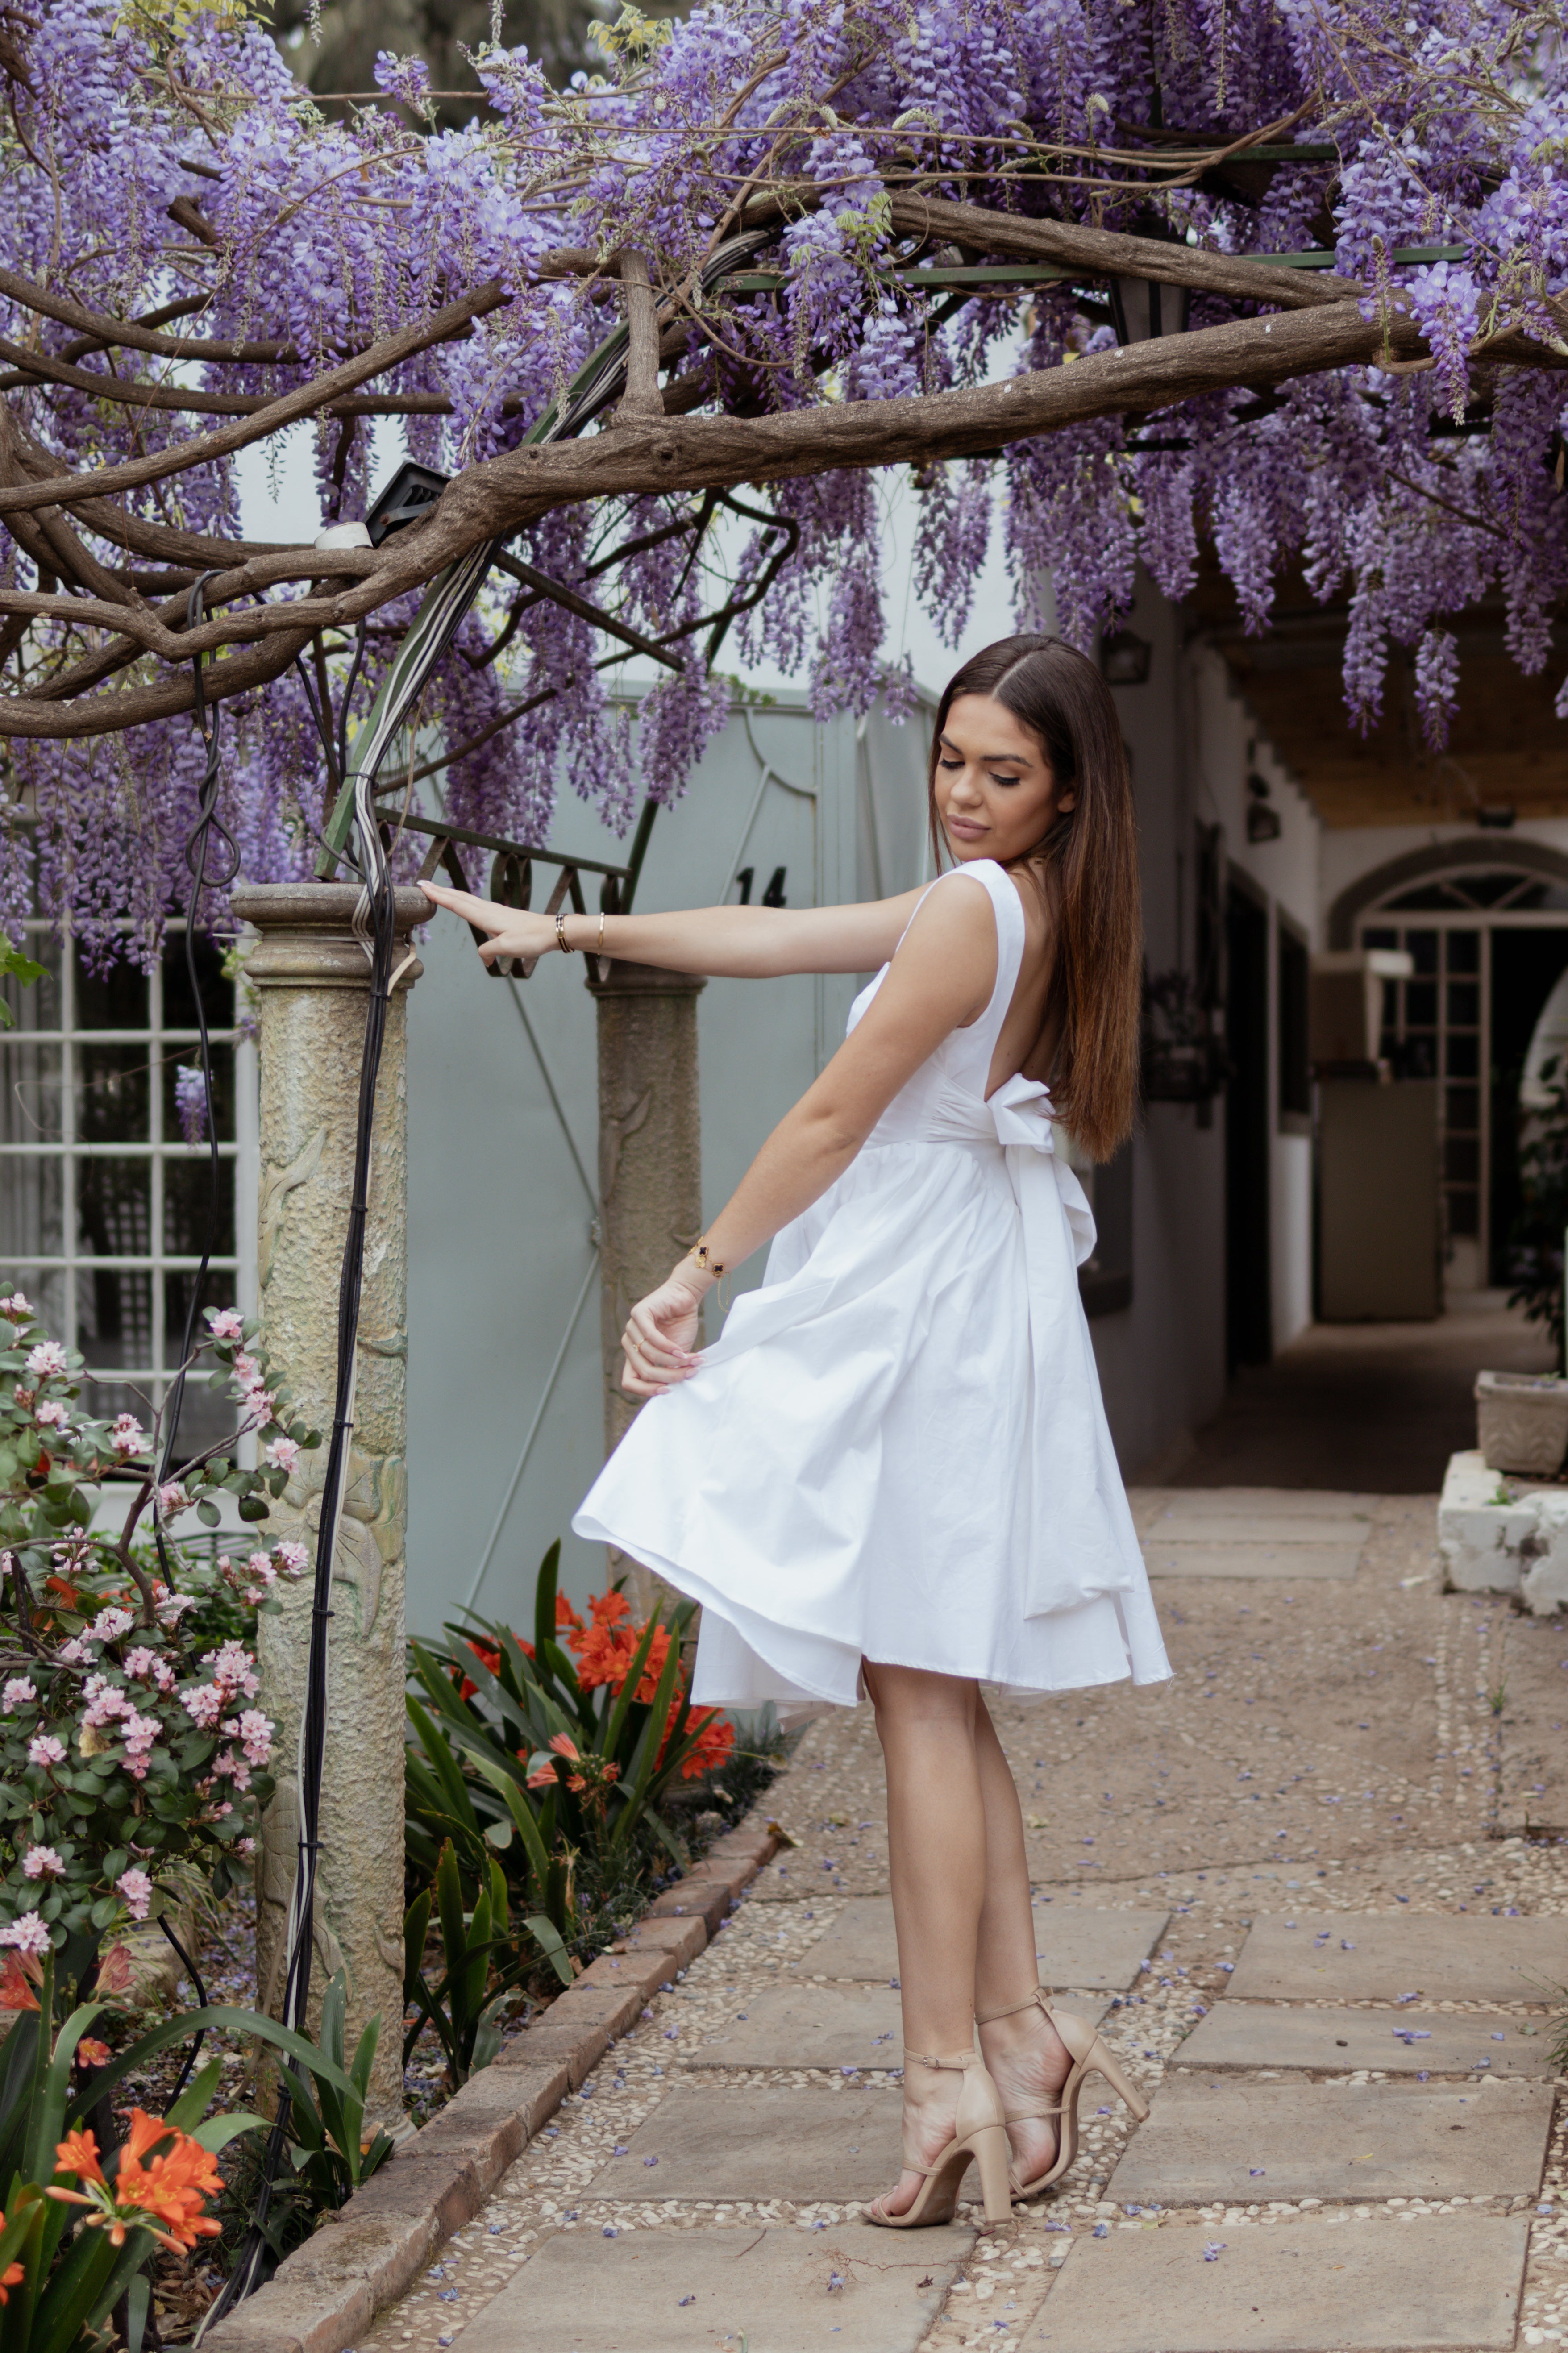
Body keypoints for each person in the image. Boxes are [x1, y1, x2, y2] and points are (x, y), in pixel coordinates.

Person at [420, 632, 1171, 2228]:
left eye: (1003, 774)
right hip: (966, 1300)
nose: (964, 797)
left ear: (1066, 791)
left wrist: (690, 1275)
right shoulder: (1017, 903)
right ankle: (1021, 2041)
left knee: (914, 1688)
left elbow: (832, 1114)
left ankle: (935, 2085)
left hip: (921, 1308)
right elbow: (766, 937)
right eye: (950, 762)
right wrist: (561, 923)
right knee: (939, 1687)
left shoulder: (977, 907)